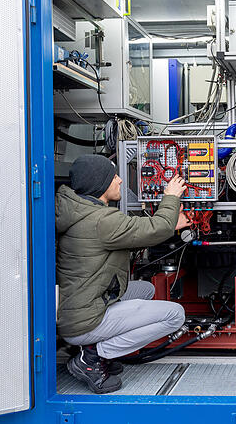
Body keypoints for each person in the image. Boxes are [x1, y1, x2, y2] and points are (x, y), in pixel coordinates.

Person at [56, 154, 191, 393]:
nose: (119, 180)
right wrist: (170, 198)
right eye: (114, 176)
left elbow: (132, 232)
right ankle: (93, 357)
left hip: (79, 307)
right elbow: (154, 229)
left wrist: (169, 224)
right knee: (175, 315)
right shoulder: (101, 221)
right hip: (85, 322)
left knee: (145, 289)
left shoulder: (84, 212)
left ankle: (101, 349)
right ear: (99, 185)